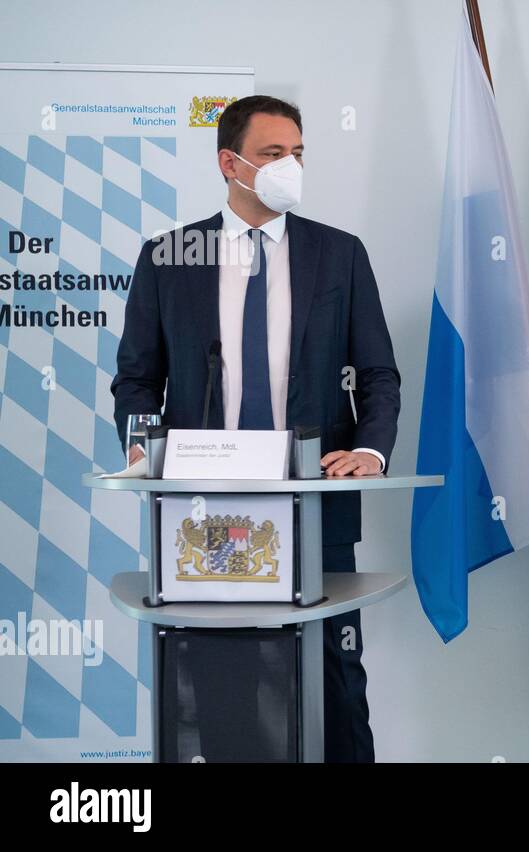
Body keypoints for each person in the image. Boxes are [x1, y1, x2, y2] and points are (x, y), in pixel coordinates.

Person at [112, 95, 401, 762]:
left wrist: (367, 448)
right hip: (207, 508)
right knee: (218, 679)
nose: (290, 167)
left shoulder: (339, 254)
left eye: (298, 154)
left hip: (315, 506)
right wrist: (140, 442)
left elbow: (378, 373)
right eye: (274, 154)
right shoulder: (168, 258)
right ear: (230, 163)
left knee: (334, 676)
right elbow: (135, 377)